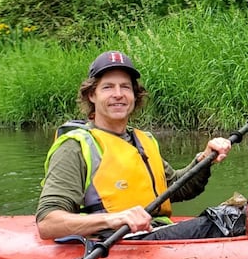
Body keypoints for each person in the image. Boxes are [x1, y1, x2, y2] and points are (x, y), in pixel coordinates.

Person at [36, 50, 235, 241]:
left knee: (236, 213)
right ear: (92, 95)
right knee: (230, 220)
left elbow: (176, 188)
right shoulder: (74, 147)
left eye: (125, 87)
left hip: (156, 232)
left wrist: (205, 159)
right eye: (108, 87)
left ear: (134, 94)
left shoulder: (143, 140)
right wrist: (113, 219)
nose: (118, 94)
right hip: (114, 240)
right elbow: (47, 223)